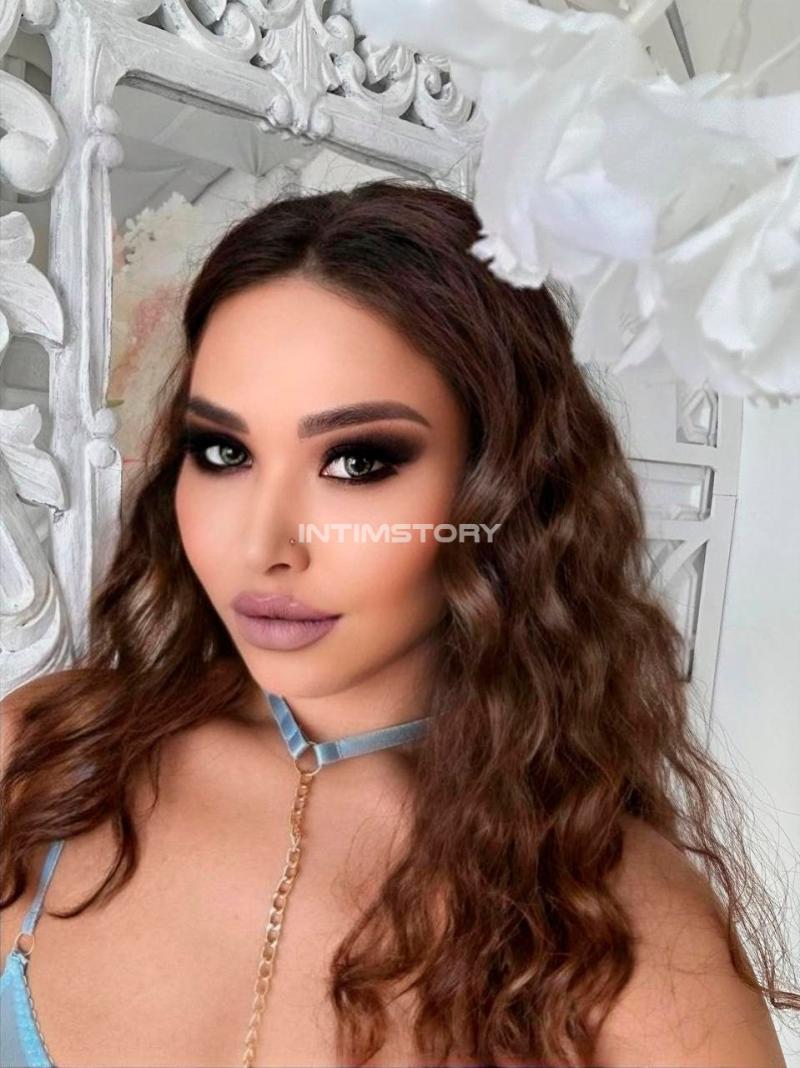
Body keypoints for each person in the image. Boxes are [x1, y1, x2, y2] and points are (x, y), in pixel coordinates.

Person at [0, 180, 796, 1068]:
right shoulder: (43, 764)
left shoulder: (627, 931)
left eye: (357, 462)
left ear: (499, 491)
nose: (263, 546)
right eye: (223, 451)